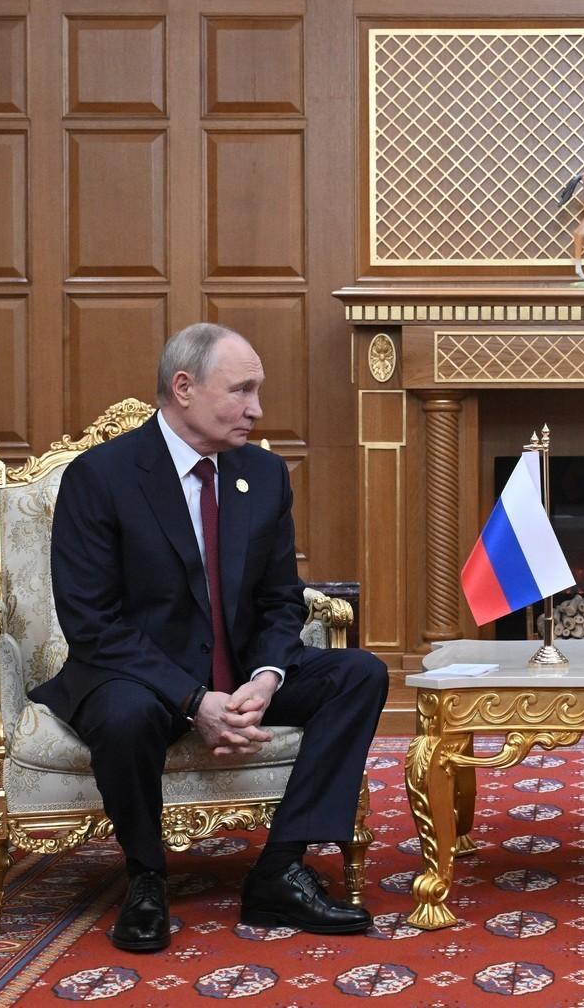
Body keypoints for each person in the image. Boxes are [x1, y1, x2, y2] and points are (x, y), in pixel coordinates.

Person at [31, 323, 388, 953]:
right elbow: (91, 622)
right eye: (242, 391)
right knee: (125, 714)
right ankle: (145, 879)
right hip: (137, 674)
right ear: (184, 387)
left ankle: (280, 870)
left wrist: (267, 678)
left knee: (358, 674)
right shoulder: (103, 475)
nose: (257, 409)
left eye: (258, 391)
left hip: (239, 671)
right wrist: (195, 700)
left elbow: (280, 598)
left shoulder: (264, 473)